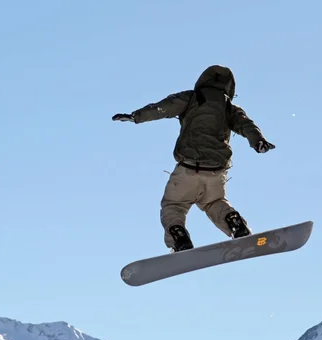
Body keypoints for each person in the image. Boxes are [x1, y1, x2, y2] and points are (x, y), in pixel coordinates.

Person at [112, 65, 275, 252]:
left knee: (173, 205)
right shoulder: (229, 107)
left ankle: (179, 237)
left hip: (188, 168)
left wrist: (136, 117)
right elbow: (247, 125)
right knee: (214, 202)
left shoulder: (191, 97)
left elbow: (163, 108)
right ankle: (235, 224)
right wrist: (258, 141)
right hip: (216, 171)